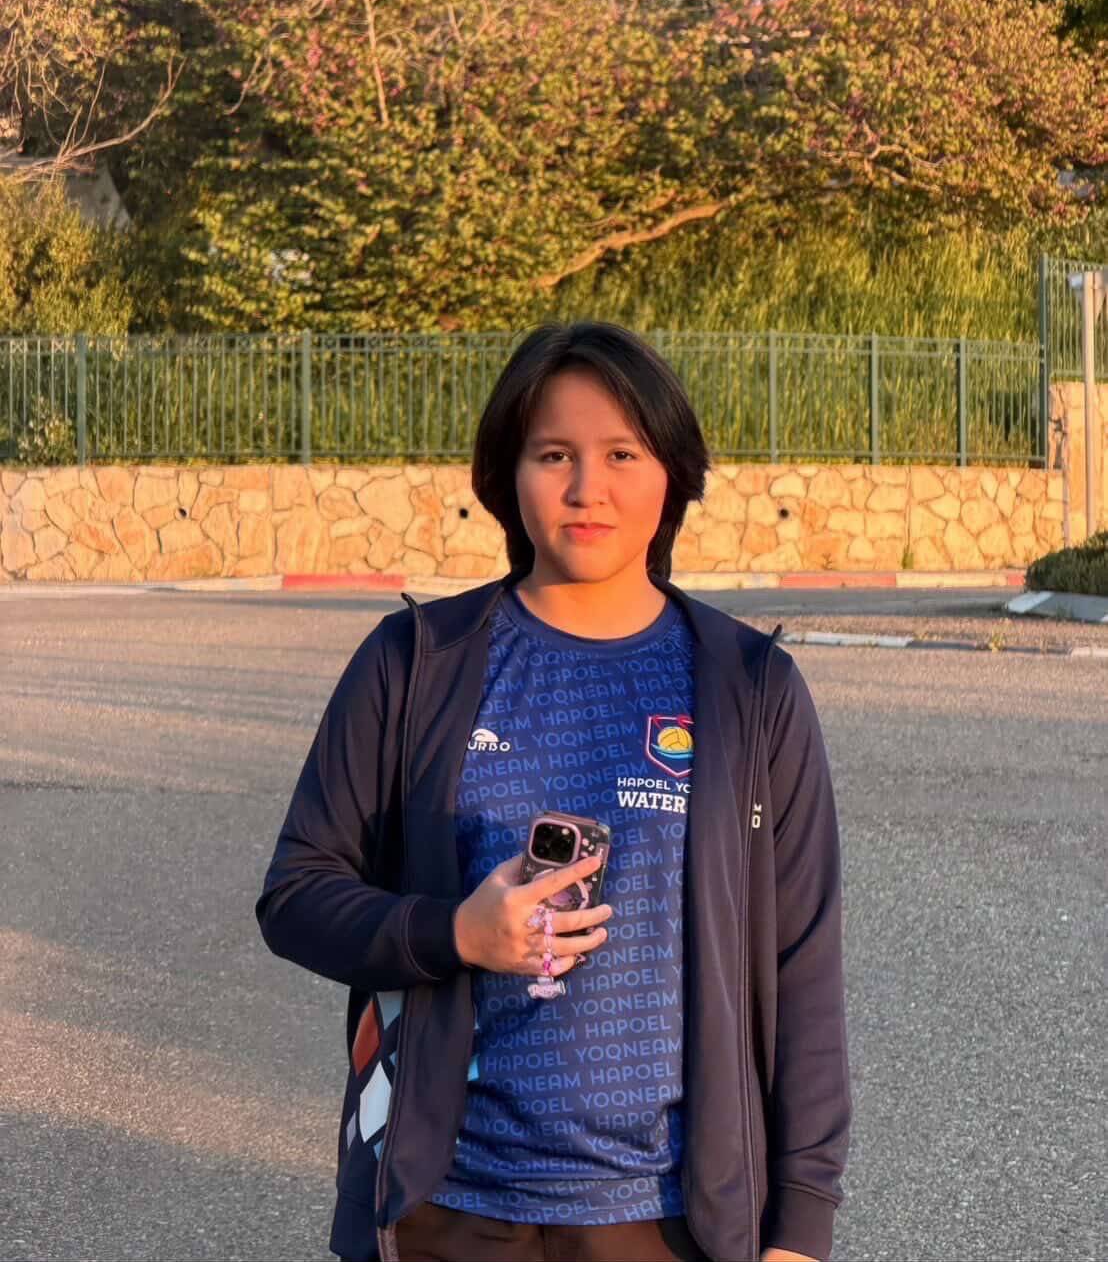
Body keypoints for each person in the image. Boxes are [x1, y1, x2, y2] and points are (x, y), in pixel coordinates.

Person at [256, 321, 851, 1262]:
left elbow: (803, 963)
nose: (586, 488)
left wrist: (802, 1228)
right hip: (444, 1207)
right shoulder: (417, 664)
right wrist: (455, 933)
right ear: (508, 473)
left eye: (622, 453)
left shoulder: (750, 688)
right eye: (554, 454)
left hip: (667, 1217)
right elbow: (296, 895)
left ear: (673, 473)